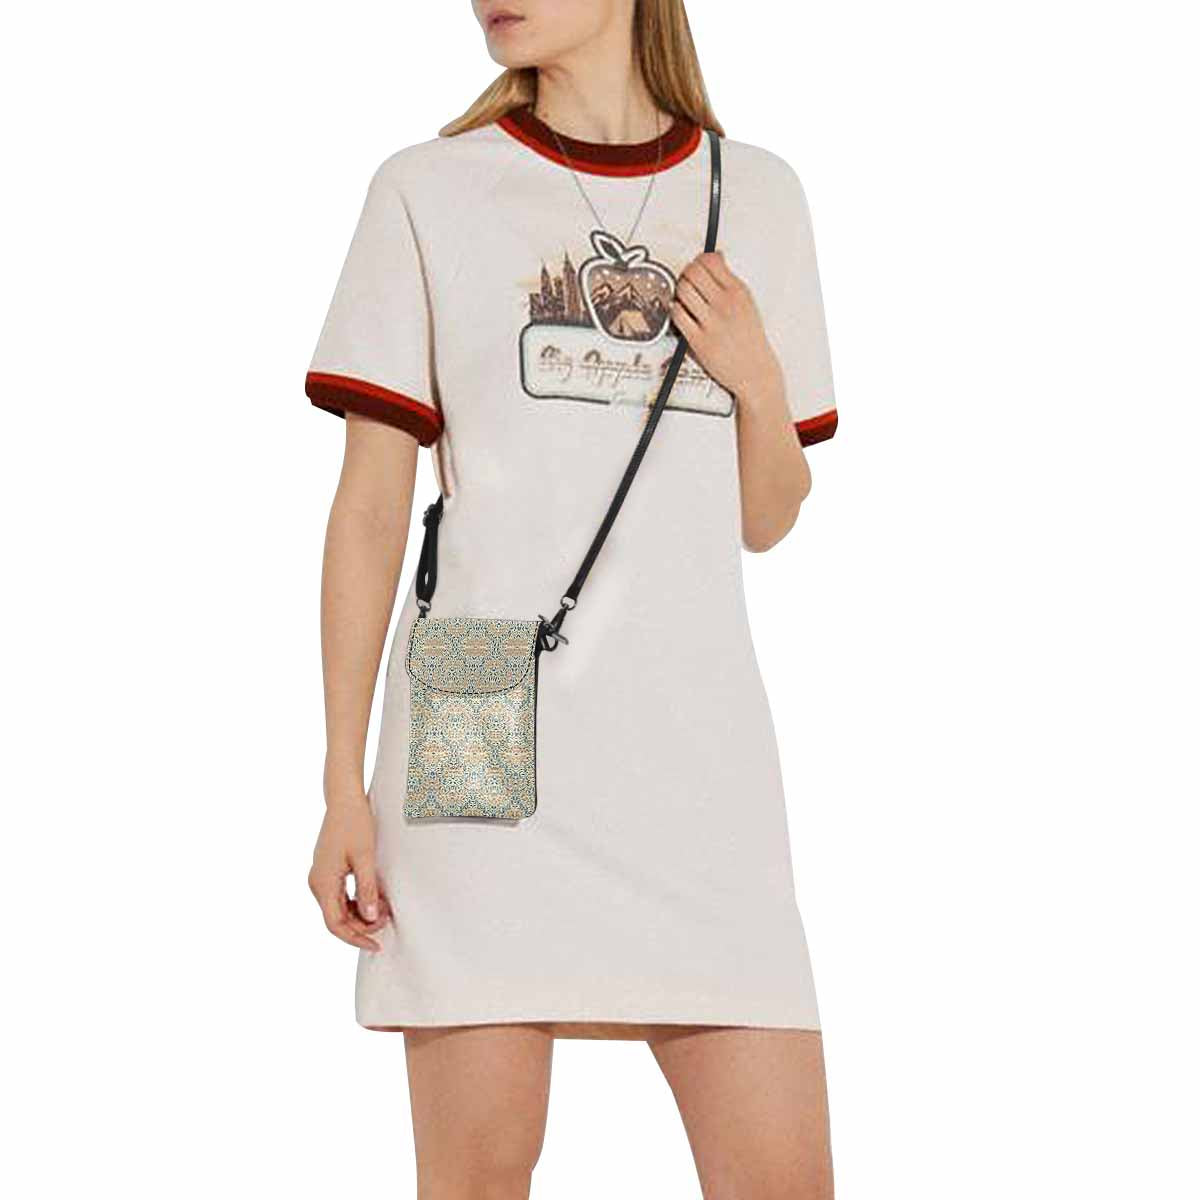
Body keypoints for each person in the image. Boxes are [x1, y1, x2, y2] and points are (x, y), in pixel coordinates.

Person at [304, 2, 839, 1195]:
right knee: (476, 1179)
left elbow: (768, 515)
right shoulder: (427, 191)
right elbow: (370, 509)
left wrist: (756, 378)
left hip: (695, 745)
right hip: (480, 713)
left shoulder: (757, 195)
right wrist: (341, 781)